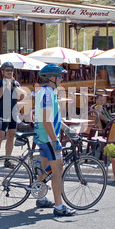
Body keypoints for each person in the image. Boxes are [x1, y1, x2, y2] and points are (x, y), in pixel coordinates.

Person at [34, 63, 77, 216]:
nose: (62, 79)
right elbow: (47, 120)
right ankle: (59, 207)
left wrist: (67, 129)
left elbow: (52, 118)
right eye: (60, 77)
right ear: (52, 78)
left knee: (44, 167)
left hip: (42, 136)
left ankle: (41, 198)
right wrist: (55, 140)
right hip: (48, 138)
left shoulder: (45, 92)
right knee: (57, 170)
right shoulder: (47, 94)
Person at [0, 62, 26, 167]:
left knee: (11, 136)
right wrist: (4, 85)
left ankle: (7, 160)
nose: (10, 72)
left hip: (12, 113)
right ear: (2, 72)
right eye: (7, 70)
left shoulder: (15, 83)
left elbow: (21, 97)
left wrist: (14, 85)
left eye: (11, 70)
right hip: (0, 112)